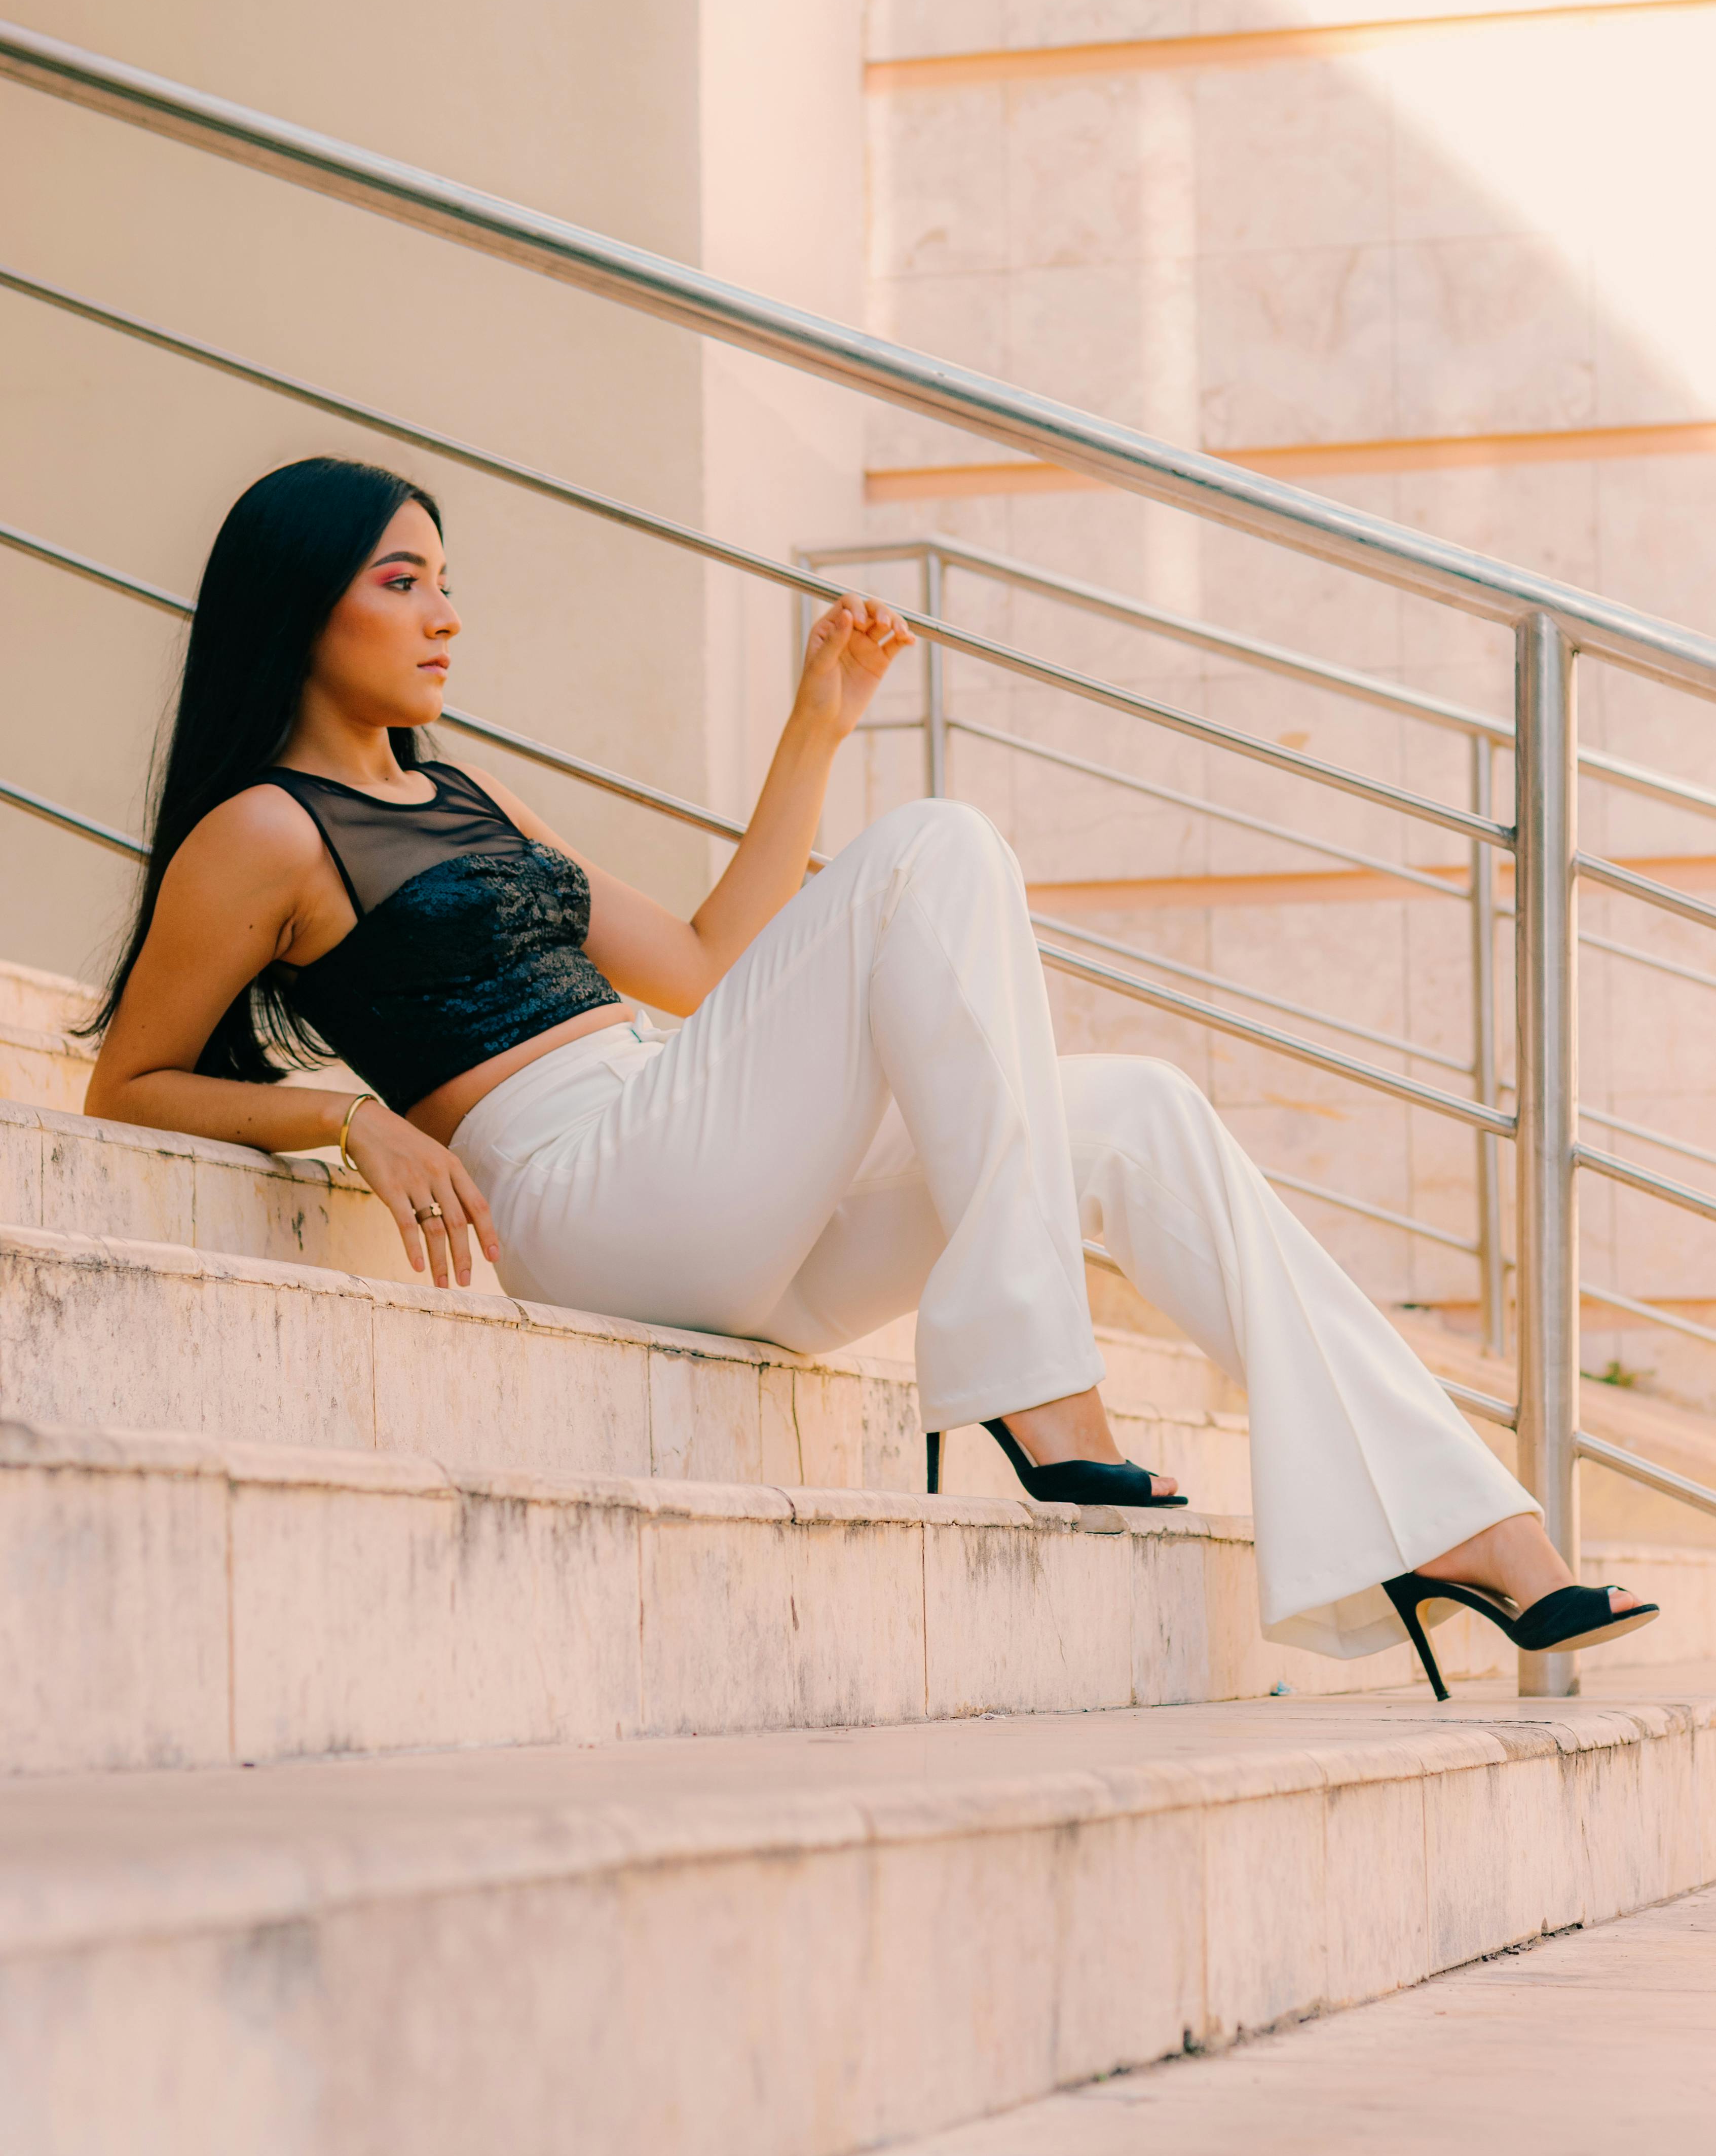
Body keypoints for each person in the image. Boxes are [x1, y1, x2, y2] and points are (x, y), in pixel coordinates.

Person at [85, 456, 1653, 1694]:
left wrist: (815, 726)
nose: (443, 615)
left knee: (1136, 1113)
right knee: (940, 848)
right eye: (401, 581)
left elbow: (699, 968)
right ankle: (1039, 1390)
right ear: (302, 605)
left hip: (693, 1158)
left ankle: (1475, 1534)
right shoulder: (266, 832)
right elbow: (132, 1080)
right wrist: (349, 1120)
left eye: (448, 583)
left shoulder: (464, 791)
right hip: (581, 1194)